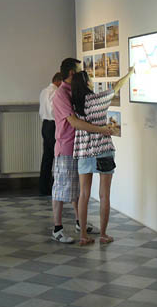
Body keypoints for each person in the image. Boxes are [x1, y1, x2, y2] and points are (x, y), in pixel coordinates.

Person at [51, 58, 113, 244]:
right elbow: (74, 122)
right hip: (66, 147)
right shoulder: (61, 94)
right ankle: (57, 228)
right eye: (80, 70)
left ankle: (81, 224)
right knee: (62, 189)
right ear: (72, 73)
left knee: (78, 191)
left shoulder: (75, 91)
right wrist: (102, 130)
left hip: (80, 148)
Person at [71, 66, 134, 245]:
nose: (92, 81)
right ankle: (104, 234)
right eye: (90, 79)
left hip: (83, 152)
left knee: (84, 194)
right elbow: (117, 86)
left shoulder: (74, 104)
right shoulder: (98, 99)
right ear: (86, 83)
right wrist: (130, 73)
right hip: (103, 150)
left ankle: (83, 235)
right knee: (104, 195)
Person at [38, 72, 62, 196]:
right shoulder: (56, 92)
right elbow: (54, 110)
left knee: (47, 157)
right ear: (59, 81)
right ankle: (57, 186)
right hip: (53, 125)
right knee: (57, 156)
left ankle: (44, 187)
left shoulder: (44, 91)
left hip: (45, 125)